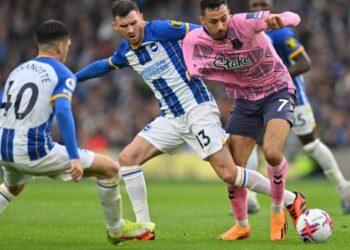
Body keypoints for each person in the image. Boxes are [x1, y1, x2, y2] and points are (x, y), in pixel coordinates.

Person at [76, 0, 305, 241]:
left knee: (228, 173)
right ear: (116, 27)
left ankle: (291, 199)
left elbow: (201, 31)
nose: (131, 29)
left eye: (134, 23)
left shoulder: (162, 29)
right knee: (128, 159)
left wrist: (203, 63)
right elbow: (104, 65)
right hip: (171, 118)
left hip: (197, 110)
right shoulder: (125, 51)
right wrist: (72, 79)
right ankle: (144, 226)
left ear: (141, 18)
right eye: (125, 26)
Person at [0, 19, 153, 245]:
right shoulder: (62, 73)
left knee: (13, 185)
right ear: (62, 46)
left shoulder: (18, 71)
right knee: (110, 169)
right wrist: (73, 156)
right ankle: (116, 229)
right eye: (68, 46)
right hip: (33, 149)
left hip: (5, 148)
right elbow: (63, 111)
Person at [182, 0, 305, 241]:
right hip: (245, 100)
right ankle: (242, 226)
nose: (220, 25)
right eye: (214, 21)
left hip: (277, 90)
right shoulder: (194, 40)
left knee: (271, 152)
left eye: (224, 18)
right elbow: (192, 65)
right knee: (233, 168)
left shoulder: (245, 22)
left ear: (229, 13)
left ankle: (279, 210)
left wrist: (281, 19)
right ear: (202, 21)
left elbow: (294, 17)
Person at [245, 0, 350, 215]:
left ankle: (344, 188)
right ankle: (250, 199)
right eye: (254, 5)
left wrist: (277, 78)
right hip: (262, 96)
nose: (258, 10)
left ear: (271, 6)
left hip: (293, 96)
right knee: (251, 141)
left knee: (310, 145)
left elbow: (305, 63)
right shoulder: (247, 32)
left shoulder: (280, 33)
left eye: (263, 5)